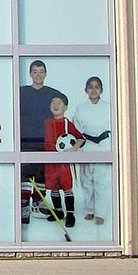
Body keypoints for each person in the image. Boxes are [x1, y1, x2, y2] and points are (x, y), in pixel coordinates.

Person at [19, 60, 63, 224]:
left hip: (45, 139)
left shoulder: (52, 94)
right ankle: (24, 205)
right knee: (25, 173)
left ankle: (38, 201)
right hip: (26, 139)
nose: (38, 75)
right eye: (35, 71)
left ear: (45, 74)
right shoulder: (22, 92)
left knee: (42, 173)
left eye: (41, 71)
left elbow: (61, 108)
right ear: (30, 73)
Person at [72, 76, 113, 226]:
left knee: (102, 181)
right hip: (87, 144)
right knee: (86, 180)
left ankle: (101, 213)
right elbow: (77, 129)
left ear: (101, 90)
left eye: (97, 87)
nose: (93, 90)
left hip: (103, 144)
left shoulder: (109, 107)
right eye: (90, 87)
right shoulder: (80, 108)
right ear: (86, 90)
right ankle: (90, 209)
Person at [44, 93, 85, 227]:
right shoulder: (47, 122)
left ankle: (70, 214)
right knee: (53, 188)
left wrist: (74, 148)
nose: (55, 105)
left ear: (65, 107)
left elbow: (80, 138)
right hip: (50, 161)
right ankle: (58, 211)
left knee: (67, 188)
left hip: (63, 164)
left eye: (59, 103)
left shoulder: (67, 123)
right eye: (53, 103)